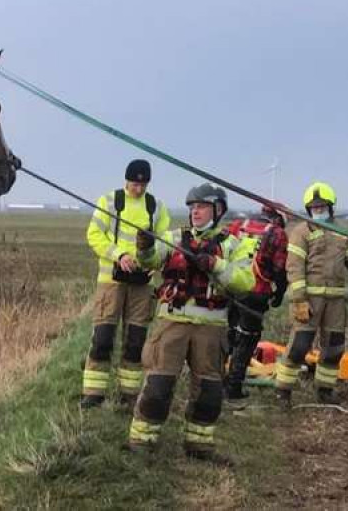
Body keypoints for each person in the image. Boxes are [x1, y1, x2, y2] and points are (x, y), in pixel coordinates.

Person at [128, 183, 255, 461]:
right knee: (158, 386)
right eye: (192, 207)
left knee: (209, 392)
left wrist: (215, 265)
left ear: (217, 210)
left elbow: (246, 282)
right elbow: (149, 261)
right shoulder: (173, 238)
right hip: (171, 324)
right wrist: (144, 244)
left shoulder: (233, 245)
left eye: (201, 206)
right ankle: (141, 443)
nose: (194, 211)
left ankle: (199, 446)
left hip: (212, 331)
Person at [80, 159, 172, 408]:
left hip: (143, 284)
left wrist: (148, 261)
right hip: (111, 281)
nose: (139, 189)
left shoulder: (157, 208)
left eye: (143, 184)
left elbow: (165, 243)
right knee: (102, 338)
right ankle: (93, 394)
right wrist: (119, 255)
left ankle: (129, 395)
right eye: (135, 183)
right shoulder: (110, 201)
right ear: (126, 180)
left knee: (135, 341)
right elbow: (94, 235)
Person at [275, 182, 348, 404]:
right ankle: (283, 390)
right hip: (309, 299)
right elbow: (294, 266)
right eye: (314, 207)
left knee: (334, 348)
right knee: (299, 346)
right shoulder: (301, 232)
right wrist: (299, 299)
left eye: (322, 206)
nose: (318, 210)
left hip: (335, 302)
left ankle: (325, 390)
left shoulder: (342, 233)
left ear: (331, 207)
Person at [224, 205, 288, 402]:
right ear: (279, 218)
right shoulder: (276, 233)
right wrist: (280, 292)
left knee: (230, 333)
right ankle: (234, 387)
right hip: (256, 292)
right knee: (247, 339)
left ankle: (217, 379)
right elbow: (279, 268)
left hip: (231, 287)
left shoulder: (238, 225)